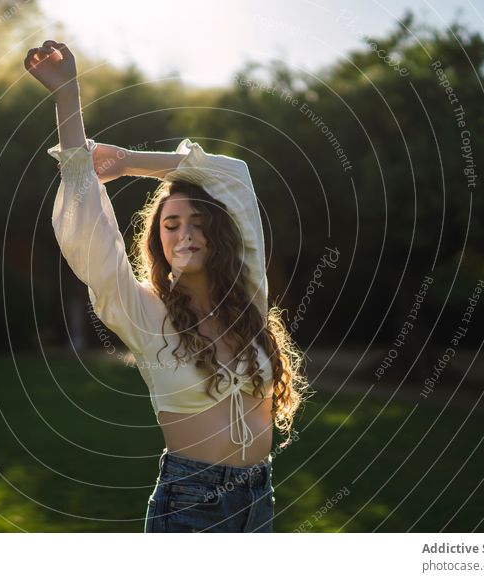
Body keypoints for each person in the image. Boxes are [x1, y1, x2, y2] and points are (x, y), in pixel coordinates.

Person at [24, 40, 310, 533]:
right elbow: (89, 226)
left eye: (197, 221)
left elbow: (233, 177)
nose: (184, 233)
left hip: (259, 498)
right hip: (190, 503)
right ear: (157, 239)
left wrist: (126, 162)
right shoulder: (143, 310)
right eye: (170, 224)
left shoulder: (247, 298)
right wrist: (67, 97)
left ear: (217, 233)